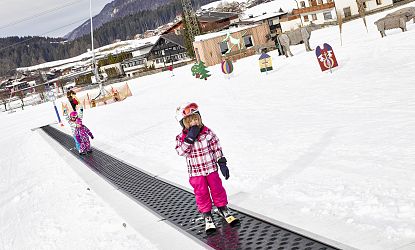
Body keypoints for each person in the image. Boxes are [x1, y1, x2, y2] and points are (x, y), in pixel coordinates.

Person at [175, 102, 237, 233]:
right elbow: (181, 152)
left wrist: (222, 162)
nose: (194, 122)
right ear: (184, 123)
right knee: (201, 193)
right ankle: (207, 214)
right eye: (190, 120)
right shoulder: (181, 138)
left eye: (196, 118)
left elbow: (216, 146)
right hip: (196, 174)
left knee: (217, 189)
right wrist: (189, 138)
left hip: (211, 170)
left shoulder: (207, 132)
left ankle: (222, 208)